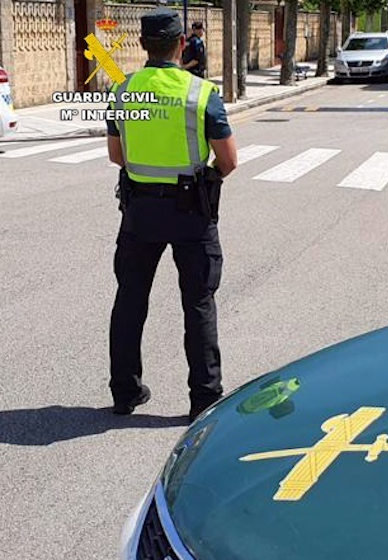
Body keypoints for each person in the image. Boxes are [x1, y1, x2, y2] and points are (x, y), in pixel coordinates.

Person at [106, 7, 238, 422]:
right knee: (197, 303)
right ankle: (203, 398)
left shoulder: (125, 91)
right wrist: (205, 177)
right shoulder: (201, 93)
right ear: (182, 44)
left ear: (143, 45)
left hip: (140, 211)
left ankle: (125, 392)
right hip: (191, 212)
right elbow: (229, 161)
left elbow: (117, 155)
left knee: (130, 300)